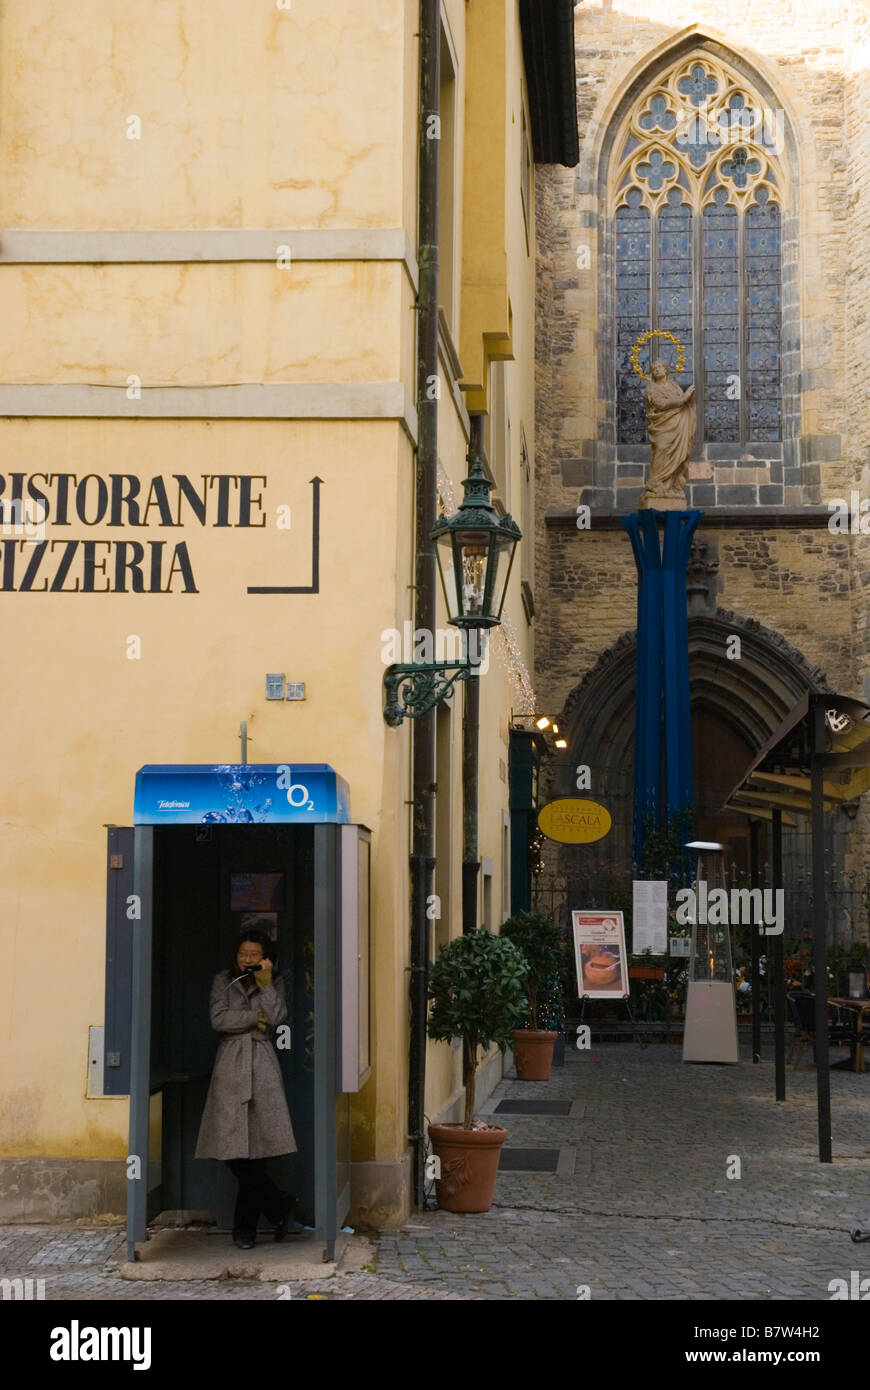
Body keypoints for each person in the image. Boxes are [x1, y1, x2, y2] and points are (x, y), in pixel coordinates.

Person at [195, 929, 298, 1249]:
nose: (248, 960)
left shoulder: (274, 982)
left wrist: (266, 986)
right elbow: (218, 1019)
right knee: (234, 1153)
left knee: (257, 1155)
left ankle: (245, 1231)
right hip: (230, 1066)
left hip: (262, 1067)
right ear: (235, 956)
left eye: (255, 955)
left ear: (265, 958)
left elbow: (278, 1017)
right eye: (243, 954)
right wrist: (256, 1016)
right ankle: (279, 1204)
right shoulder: (221, 980)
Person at [640, 359, 695, 507]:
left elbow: (683, 403)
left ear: (666, 370)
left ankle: (669, 486)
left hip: (677, 424)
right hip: (661, 425)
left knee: (676, 454)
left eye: (660, 367)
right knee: (661, 448)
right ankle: (656, 483)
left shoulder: (674, 386)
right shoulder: (651, 388)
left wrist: (688, 399)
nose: (657, 370)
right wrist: (683, 399)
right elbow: (660, 404)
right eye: (654, 368)